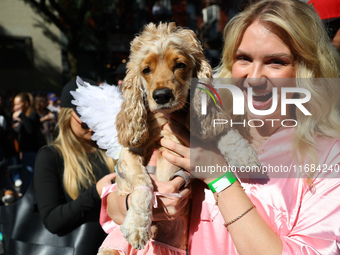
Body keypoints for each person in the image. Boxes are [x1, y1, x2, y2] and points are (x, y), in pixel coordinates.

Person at [103, 0, 340, 254]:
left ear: (306, 69)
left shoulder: (328, 154)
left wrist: (219, 176)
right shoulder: (201, 123)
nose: (256, 77)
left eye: (276, 62)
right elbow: (113, 207)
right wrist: (137, 203)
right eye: (244, 58)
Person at [33, 79, 116, 254]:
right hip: (78, 247)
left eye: (97, 117)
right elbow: (52, 221)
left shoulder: (113, 150)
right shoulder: (51, 156)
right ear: (66, 115)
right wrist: (95, 193)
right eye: (85, 120)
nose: (92, 126)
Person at [12, 92, 46, 193]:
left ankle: (30, 199)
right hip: (25, 152)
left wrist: (22, 116)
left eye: (18, 104)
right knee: (26, 177)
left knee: (30, 178)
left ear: (26, 103)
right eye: (15, 104)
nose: (16, 107)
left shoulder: (33, 115)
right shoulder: (23, 117)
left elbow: (30, 130)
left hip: (32, 152)